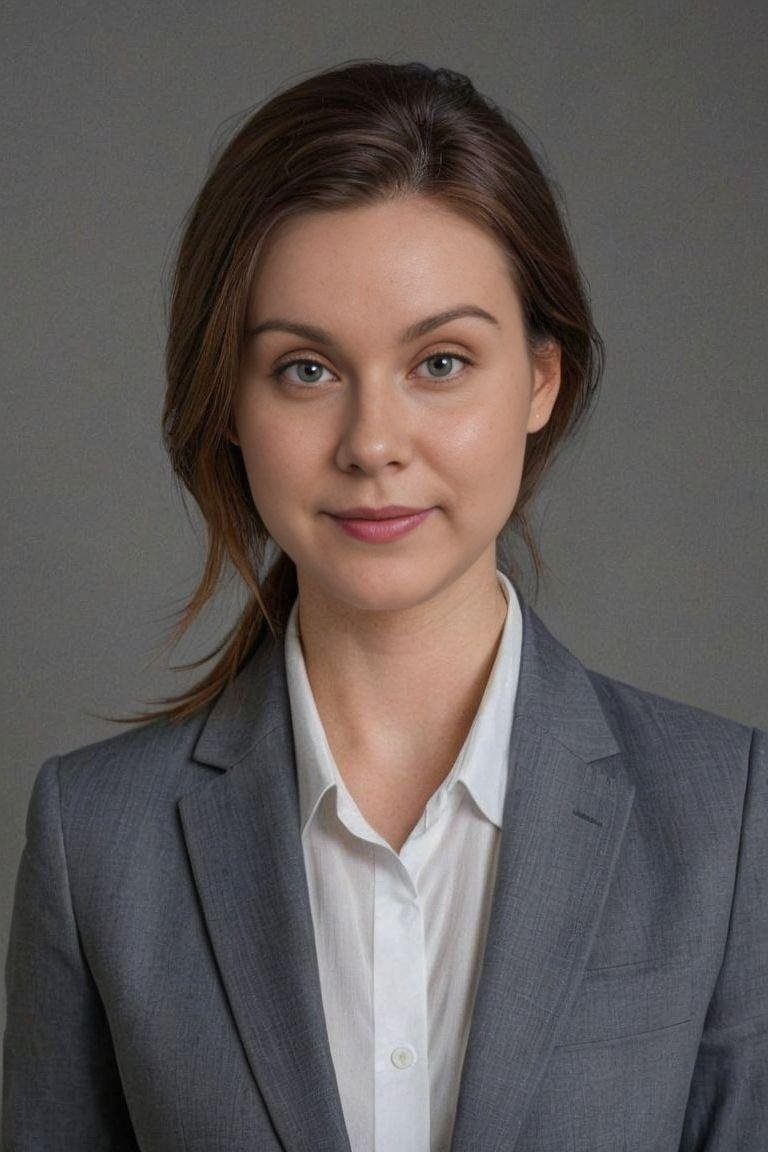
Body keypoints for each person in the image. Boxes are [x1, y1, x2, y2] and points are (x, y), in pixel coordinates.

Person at [3, 58, 766, 1152]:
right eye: (306, 370)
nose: (372, 444)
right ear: (227, 401)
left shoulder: (727, 822)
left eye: (441, 362)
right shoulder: (96, 846)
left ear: (541, 378)